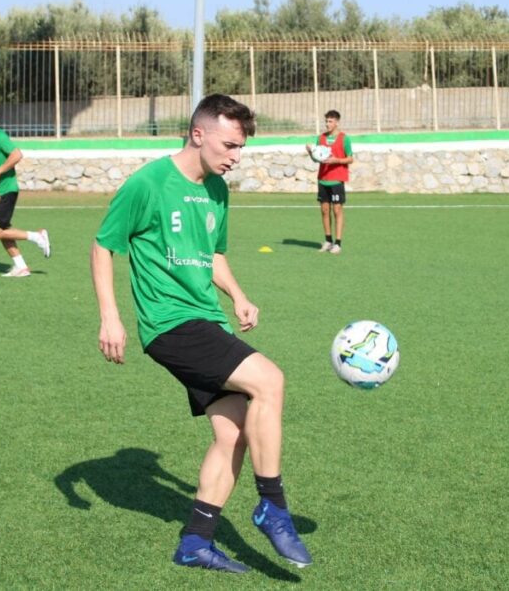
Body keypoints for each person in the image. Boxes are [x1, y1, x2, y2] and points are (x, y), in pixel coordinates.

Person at [90, 94, 312, 574]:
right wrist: (111, 317)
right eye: (230, 145)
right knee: (269, 381)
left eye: (241, 147)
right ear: (198, 134)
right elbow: (104, 246)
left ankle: (195, 542)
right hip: (170, 324)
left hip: (207, 319)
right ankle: (272, 506)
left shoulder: (217, 190)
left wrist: (238, 295)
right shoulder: (149, 182)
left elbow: (212, 255)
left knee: (233, 432)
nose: (236, 156)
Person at [0, 113, 51, 277]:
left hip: (7, 189)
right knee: (4, 231)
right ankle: (21, 267)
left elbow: (17, 154)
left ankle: (37, 237)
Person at [305, 109, 353, 254]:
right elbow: (316, 159)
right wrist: (310, 152)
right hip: (323, 179)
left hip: (337, 180)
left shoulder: (344, 138)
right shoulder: (321, 138)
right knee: (324, 210)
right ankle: (328, 241)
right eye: (326, 121)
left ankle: (338, 243)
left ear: (337, 122)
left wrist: (336, 160)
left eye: (330, 121)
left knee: (337, 210)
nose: (327, 124)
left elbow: (350, 158)